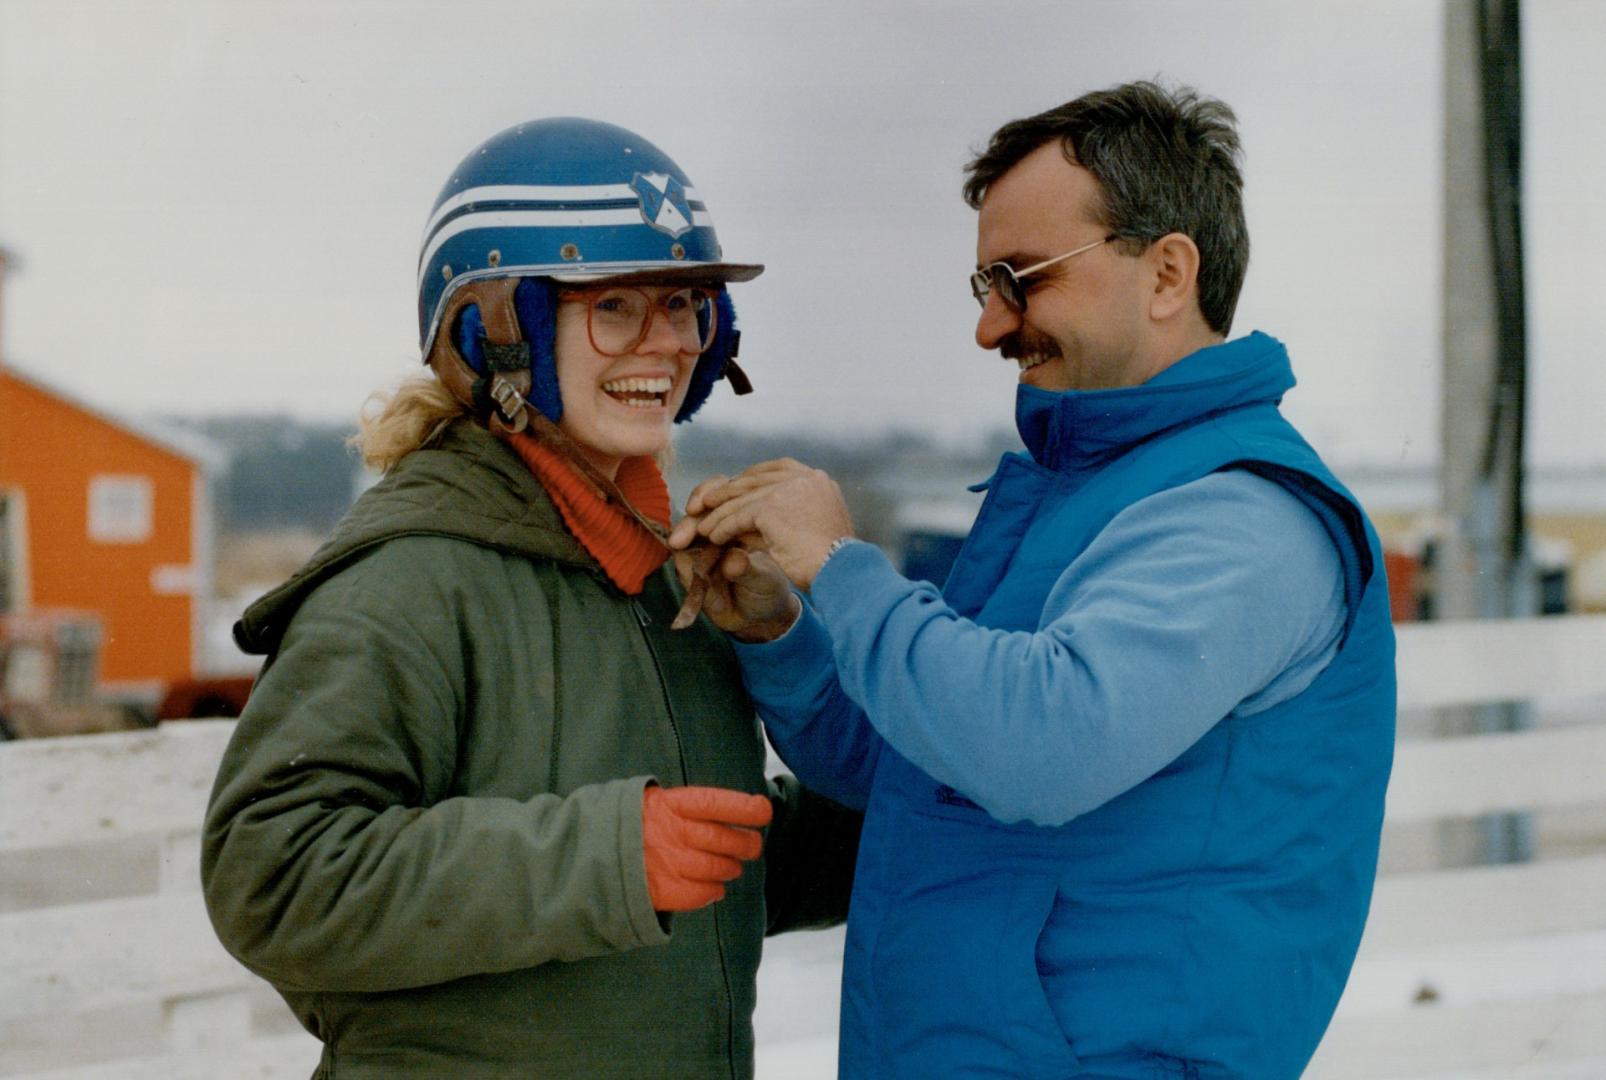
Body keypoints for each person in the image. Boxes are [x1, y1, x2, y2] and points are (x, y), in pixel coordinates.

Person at [670, 81, 1397, 1078]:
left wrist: (842, 565)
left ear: (1167, 273)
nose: (990, 327)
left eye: (1024, 278)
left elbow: (1037, 746)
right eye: (984, 288)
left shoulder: (1245, 517)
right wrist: (781, 630)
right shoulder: (1081, 497)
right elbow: (923, 762)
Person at [201, 117, 858, 1079]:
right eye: (614, 307)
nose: (665, 344)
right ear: (496, 331)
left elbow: (705, 853)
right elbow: (273, 873)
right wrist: (605, 859)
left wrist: (919, 801)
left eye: (682, 304)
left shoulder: (670, 574)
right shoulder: (413, 575)